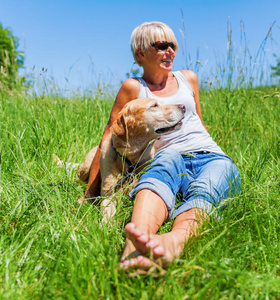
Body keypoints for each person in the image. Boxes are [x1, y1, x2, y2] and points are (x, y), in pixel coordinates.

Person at [83, 21, 240, 270]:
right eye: (162, 45)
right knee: (156, 179)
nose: (171, 51)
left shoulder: (188, 78)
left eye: (173, 45)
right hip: (166, 155)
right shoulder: (134, 87)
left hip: (210, 157)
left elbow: (198, 121)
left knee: (205, 193)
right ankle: (135, 246)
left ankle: (173, 242)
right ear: (140, 53)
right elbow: (108, 136)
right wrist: (91, 191)